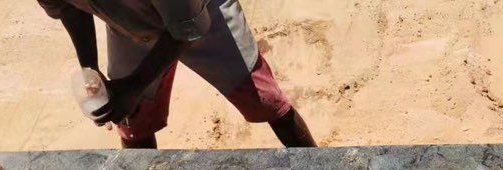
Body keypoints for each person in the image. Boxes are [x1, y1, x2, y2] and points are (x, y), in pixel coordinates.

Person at [37, 0, 317, 148]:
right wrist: (91, 71)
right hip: (130, 22)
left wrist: (133, 87)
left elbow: (189, 30)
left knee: (263, 100)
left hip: (204, 15)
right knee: (133, 121)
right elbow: (69, 9)